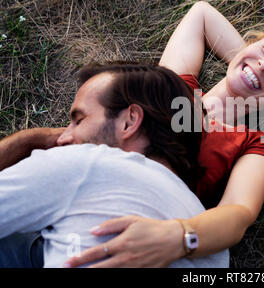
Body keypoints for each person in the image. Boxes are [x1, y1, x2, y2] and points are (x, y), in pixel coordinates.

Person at [2, 1, 264, 268]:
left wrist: (179, 237)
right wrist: (248, 63)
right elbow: (201, 13)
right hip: (69, 203)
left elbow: (238, 215)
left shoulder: (258, 143)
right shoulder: (175, 90)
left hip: (148, 227)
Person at [0, 63, 228, 268]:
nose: (62, 138)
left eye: (79, 120)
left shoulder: (86, 163)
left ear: (129, 122)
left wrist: (26, 140)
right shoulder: (215, 247)